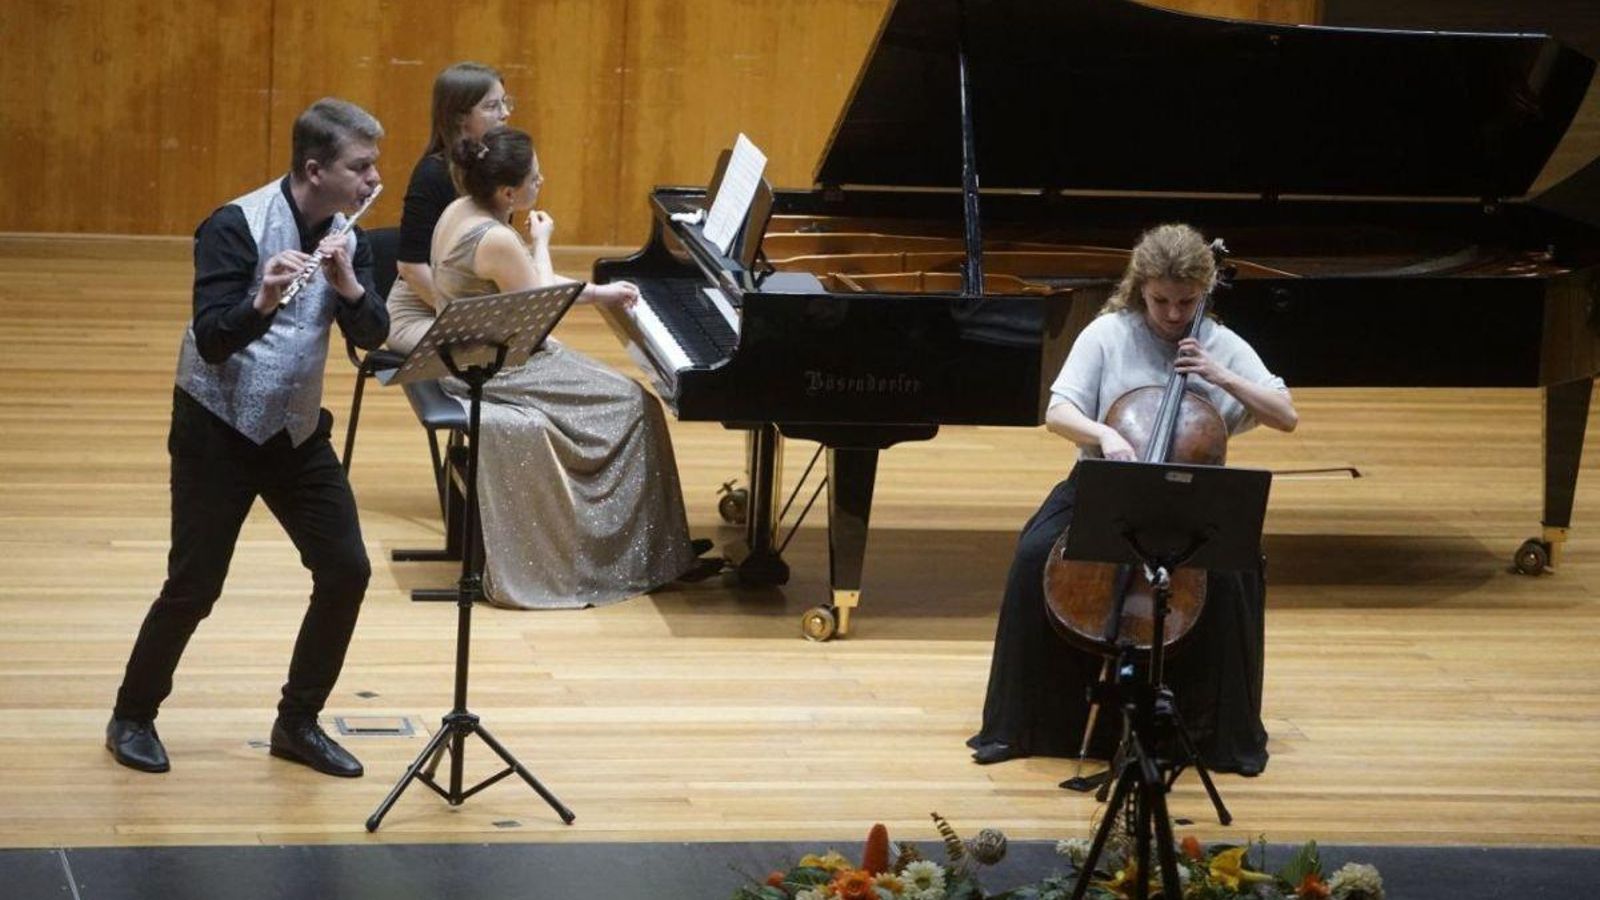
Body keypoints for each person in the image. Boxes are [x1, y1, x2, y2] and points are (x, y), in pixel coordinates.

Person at [106, 99, 390, 778]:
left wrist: (349, 286)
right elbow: (211, 339)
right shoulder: (234, 227)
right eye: (361, 166)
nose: (374, 179)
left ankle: (297, 722)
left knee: (346, 570)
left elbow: (374, 336)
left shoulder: (351, 235)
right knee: (194, 586)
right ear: (315, 169)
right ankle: (132, 714)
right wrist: (261, 301)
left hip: (294, 433)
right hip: (217, 431)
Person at [967, 223, 1298, 776]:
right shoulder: (1107, 334)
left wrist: (1220, 375)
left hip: (1192, 492)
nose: (1172, 315)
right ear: (1141, 287)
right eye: (1161, 301)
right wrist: (1103, 434)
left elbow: (1285, 416)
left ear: (1204, 290)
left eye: (1185, 302)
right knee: (1033, 555)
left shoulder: (1220, 343)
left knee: (1237, 575)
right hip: (1107, 480)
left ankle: (1222, 736)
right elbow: (1058, 413)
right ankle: (1018, 725)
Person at [394, 124, 703, 609]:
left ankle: (651, 546)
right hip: (496, 366)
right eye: (535, 178)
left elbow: (521, 281)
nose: (543, 182)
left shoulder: (460, 208)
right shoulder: (496, 238)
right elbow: (539, 297)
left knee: (627, 399)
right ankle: (629, 554)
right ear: (508, 191)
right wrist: (542, 240)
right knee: (636, 405)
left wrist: (599, 292)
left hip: (479, 350)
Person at [386, 62, 509, 352]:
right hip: (419, 311)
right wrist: (465, 320)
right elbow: (411, 268)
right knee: (497, 356)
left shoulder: (490, 168)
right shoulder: (432, 174)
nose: (505, 114)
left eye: (505, 102)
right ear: (459, 117)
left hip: (465, 306)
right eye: (492, 106)